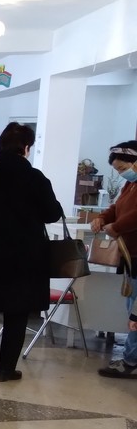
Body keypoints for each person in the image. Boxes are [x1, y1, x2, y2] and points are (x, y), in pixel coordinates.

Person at [0, 122, 63, 382]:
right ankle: (6, 369)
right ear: (26, 148)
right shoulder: (36, 178)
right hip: (24, 257)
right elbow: (51, 213)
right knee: (17, 312)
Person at [91, 141, 137, 378]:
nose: (121, 173)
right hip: (131, 255)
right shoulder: (131, 184)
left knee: (136, 313)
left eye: (123, 168)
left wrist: (116, 227)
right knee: (133, 309)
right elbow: (117, 208)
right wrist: (102, 218)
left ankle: (131, 361)